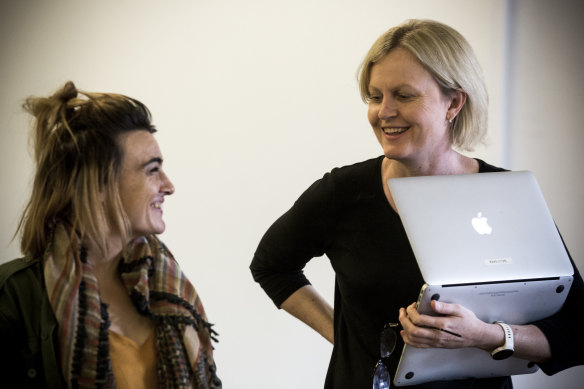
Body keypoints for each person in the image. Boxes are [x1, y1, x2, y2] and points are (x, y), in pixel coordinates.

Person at [250, 19, 584, 388]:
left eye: (404, 96)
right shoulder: (342, 192)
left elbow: (577, 330)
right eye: (375, 97)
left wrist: (488, 336)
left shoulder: (510, 197)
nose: (384, 112)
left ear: (453, 102)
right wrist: (346, 341)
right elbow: (271, 266)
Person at [0, 82, 221, 389]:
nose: (169, 186)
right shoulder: (15, 298)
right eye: (152, 170)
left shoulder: (165, 286)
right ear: (99, 184)